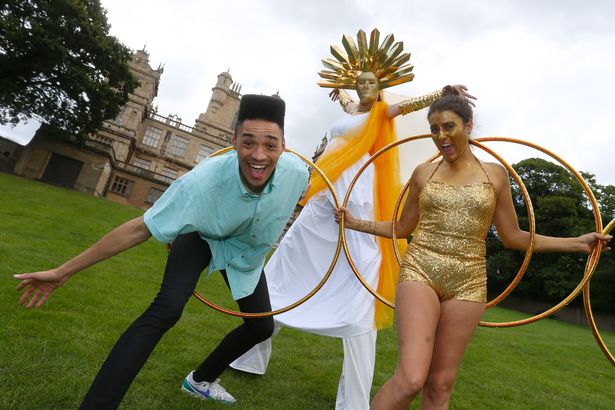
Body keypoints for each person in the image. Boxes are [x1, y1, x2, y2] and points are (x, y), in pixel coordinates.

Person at [230, 29, 475, 410]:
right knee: (279, 272)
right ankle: (249, 357)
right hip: (322, 200)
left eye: (371, 83)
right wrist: (338, 93)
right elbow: (346, 102)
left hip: (357, 201)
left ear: (381, 87)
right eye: (360, 82)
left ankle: (355, 400)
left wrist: (444, 92)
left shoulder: (382, 112)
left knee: (361, 289)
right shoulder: (351, 110)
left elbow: (410, 106)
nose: (364, 88)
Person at [14, 94, 309, 409]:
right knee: (166, 310)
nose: (259, 155)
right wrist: (63, 272)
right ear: (234, 141)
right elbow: (138, 228)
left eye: (270, 145)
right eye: (248, 143)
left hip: (245, 250)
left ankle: (200, 380)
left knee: (261, 326)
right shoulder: (200, 183)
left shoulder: (298, 174)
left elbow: (327, 191)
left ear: (284, 145)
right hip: (199, 235)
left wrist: (343, 215)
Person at [334, 89, 613, 409]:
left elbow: (514, 237)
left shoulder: (495, 175)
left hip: (468, 282)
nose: (441, 136)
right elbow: (402, 228)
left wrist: (577, 243)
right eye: (434, 129)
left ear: (468, 126)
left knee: (440, 386)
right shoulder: (423, 172)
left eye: (448, 126)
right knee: (411, 379)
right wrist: (356, 223)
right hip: (420, 270)